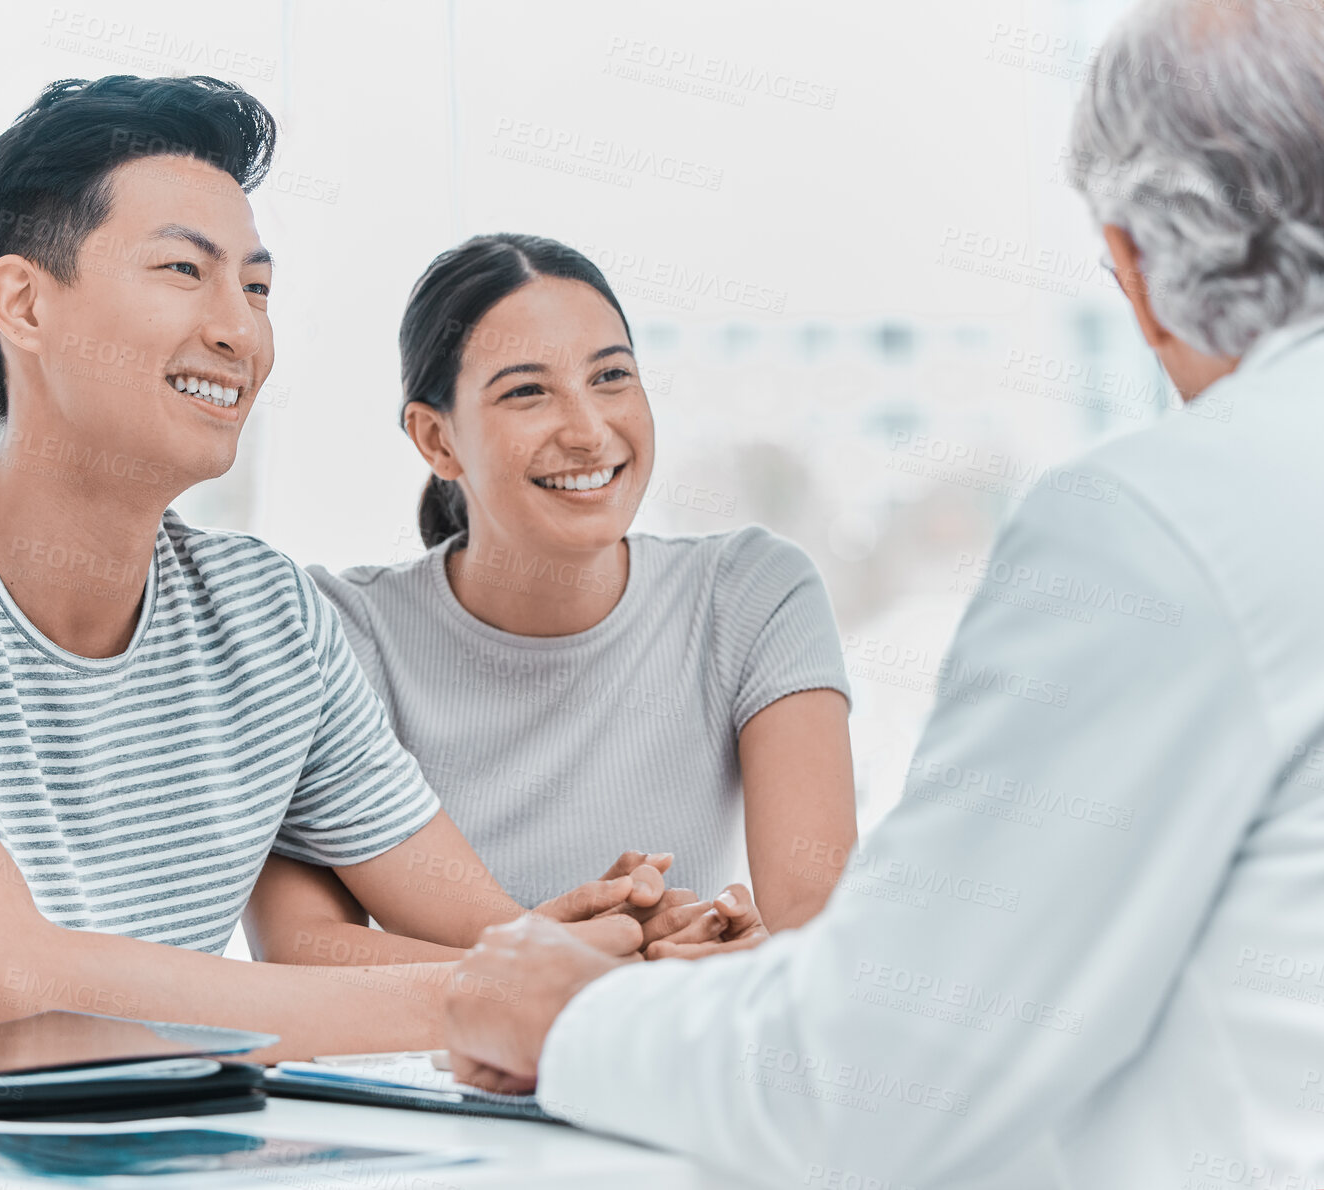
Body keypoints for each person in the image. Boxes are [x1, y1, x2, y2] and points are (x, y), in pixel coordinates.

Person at [442, 0, 1324, 1184]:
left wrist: (568, 1014)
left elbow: (877, 1074)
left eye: (612, 374)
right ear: (431, 438)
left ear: (1135, 269)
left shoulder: (1162, 523)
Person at [0, 74, 675, 1061]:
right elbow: (9, 986)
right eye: (184, 270)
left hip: (137, 1149)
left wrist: (639, 955)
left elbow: (480, 932)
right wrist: (488, 996)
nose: (240, 330)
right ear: (24, 303)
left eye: (256, 288)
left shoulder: (269, 617)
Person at [246, 234, 856, 968]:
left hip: (662, 1060)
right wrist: (586, 970)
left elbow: (821, 944)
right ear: (437, 440)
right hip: (425, 1071)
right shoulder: (338, 629)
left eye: (611, 377)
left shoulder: (753, 592)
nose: (589, 431)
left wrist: (701, 967)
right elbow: (300, 953)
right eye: (528, 391)